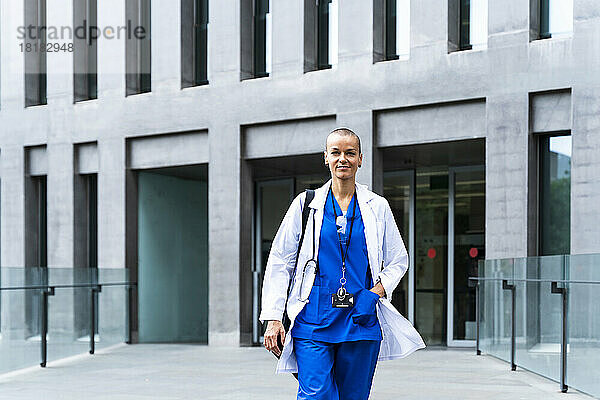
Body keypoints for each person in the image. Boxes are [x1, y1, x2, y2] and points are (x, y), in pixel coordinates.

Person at [259, 127, 425, 399]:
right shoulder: (306, 204)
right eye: (335, 152)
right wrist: (274, 317)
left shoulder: (377, 206)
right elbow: (280, 260)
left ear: (361, 159)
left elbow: (398, 260)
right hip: (312, 319)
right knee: (316, 395)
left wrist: (374, 294)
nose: (342, 159)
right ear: (326, 157)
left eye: (350, 153)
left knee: (353, 397)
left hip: (360, 318)